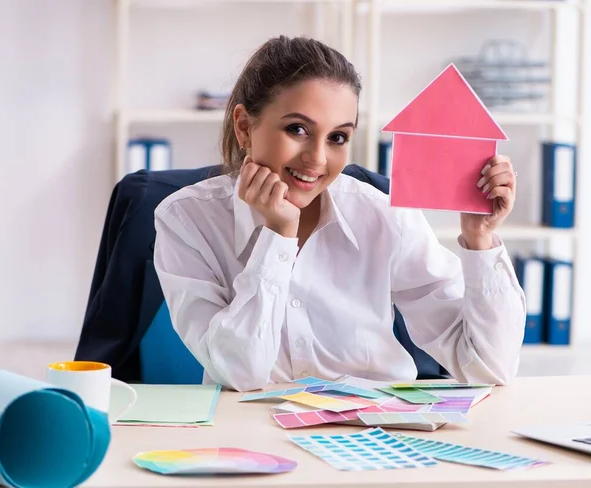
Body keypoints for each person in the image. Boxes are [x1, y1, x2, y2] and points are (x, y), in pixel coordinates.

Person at [153, 36, 525, 392]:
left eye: (337, 138)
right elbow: (240, 371)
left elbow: (488, 367)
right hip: (252, 438)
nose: (317, 158)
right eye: (297, 129)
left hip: (372, 436)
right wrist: (279, 235)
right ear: (245, 127)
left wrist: (480, 239)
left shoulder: (383, 216)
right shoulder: (185, 221)